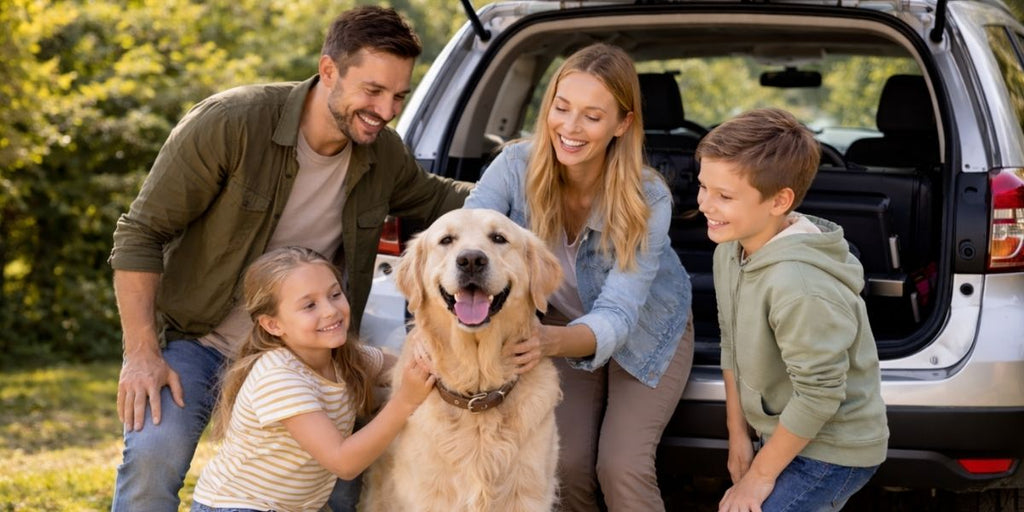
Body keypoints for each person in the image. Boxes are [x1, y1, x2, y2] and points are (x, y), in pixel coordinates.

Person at [107, 6, 471, 511]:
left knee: (344, 487)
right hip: (204, 339)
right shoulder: (232, 123)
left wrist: (535, 178)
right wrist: (142, 354)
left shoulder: (382, 154)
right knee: (154, 454)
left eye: (398, 96)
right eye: (372, 91)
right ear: (328, 71)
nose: (386, 110)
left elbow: (441, 199)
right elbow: (140, 234)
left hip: (308, 352)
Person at [464, 42, 694, 512]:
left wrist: (546, 343)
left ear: (621, 124)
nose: (569, 128)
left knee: (621, 468)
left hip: (647, 332)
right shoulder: (513, 166)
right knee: (563, 466)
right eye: (561, 108)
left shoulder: (647, 195)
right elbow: (469, 240)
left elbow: (619, 312)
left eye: (592, 116)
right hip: (559, 323)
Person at [695, 108, 889, 512]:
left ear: (779, 201)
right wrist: (737, 435)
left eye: (724, 196)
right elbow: (730, 339)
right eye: (703, 187)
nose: (705, 205)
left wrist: (759, 478)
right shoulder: (729, 250)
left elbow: (820, 394)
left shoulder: (798, 285)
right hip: (784, 433)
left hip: (835, 448)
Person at [189, 247, 434, 512]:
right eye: (309, 305)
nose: (330, 311)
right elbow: (344, 462)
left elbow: (403, 368)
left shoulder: (345, 357)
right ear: (273, 325)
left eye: (335, 294)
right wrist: (406, 401)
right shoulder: (279, 377)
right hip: (238, 507)